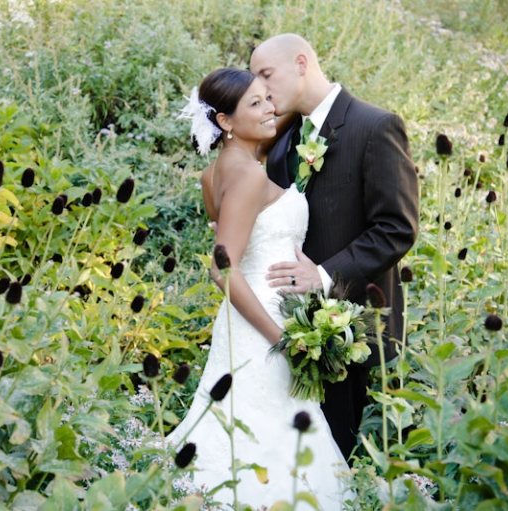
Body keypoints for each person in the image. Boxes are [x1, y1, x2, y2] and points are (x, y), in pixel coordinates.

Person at [168, 68, 349, 510]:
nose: (270, 109)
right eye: (255, 103)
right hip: (264, 327)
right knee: (269, 443)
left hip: (241, 324)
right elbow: (222, 269)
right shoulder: (248, 176)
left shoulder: (216, 172)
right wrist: (282, 340)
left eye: (270, 98)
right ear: (225, 122)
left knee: (237, 436)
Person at [249, 34, 419, 461]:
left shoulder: (375, 126)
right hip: (291, 332)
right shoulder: (283, 143)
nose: (260, 88)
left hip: (353, 330)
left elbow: (396, 227)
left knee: (344, 462)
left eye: (266, 75)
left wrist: (324, 276)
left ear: (302, 63)